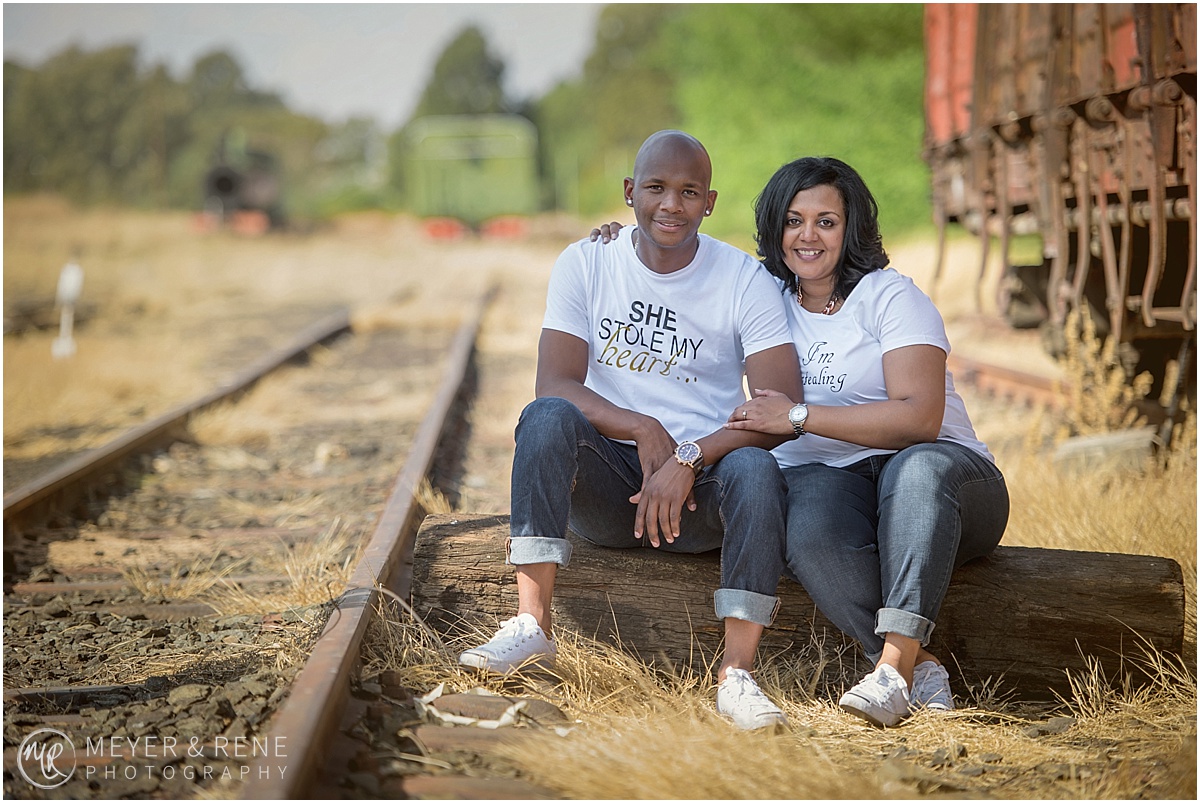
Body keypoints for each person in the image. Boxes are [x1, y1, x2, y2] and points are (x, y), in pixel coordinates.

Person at [595, 156, 1009, 728]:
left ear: (853, 228)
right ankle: (923, 668)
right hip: (830, 480)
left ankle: (891, 666)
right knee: (808, 534)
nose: (807, 236)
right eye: (793, 220)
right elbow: (683, 257)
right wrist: (625, 241)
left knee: (917, 474)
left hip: (947, 483)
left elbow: (919, 419)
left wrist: (797, 416)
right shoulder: (763, 298)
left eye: (826, 222)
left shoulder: (890, 297)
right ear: (774, 228)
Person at [458, 130, 805, 731]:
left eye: (688, 191)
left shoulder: (743, 280)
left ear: (710, 201)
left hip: (699, 499)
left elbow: (782, 408)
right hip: (608, 488)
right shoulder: (587, 261)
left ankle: (737, 676)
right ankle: (531, 626)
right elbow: (555, 383)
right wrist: (643, 427)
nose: (671, 204)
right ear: (629, 192)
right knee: (544, 419)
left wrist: (690, 457)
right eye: (656, 188)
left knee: (755, 467)